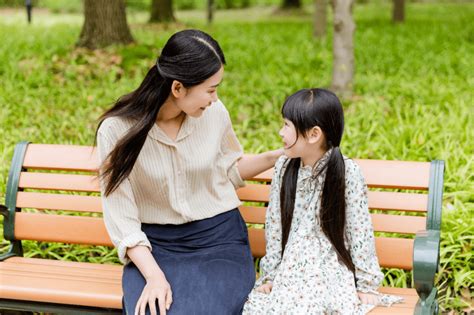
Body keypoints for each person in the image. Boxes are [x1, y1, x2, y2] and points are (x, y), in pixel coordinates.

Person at [96, 29, 282, 315]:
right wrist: (155, 277)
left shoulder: (214, 113)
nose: (215, 98)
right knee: (150, 310)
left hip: (219, 240)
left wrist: (275, 156)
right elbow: (121, 217)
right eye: (210, 89)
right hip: (155, 247)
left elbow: (228, 171)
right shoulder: (116, 131)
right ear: (177, 88)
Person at [243, 88, 403, 314]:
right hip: (291, 270)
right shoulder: (284, 168)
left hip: (330, 268)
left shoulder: (347, 172)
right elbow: (275, 225)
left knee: (317, 304)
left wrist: (367, 285)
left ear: (313, 134)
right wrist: (270, 276)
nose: (281, 132)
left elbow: (359, 231)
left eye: (287, 125)